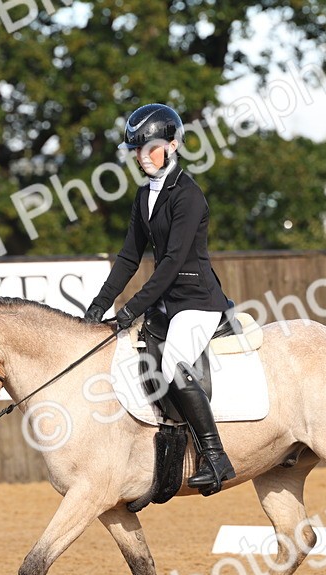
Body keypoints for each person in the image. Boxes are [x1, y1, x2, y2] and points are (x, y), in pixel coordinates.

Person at [84, 103, 236, 494]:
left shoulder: (189, 196)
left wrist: (130, 308)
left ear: (172, 145)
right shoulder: (143, 195)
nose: (141, 156)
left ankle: (215, 455)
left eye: (148, 147)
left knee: (172, 363)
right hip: (166, 306)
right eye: (136, 149)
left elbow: (171, 263)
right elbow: (128, 257)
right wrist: (99, 305)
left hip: (197, 301)